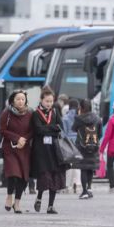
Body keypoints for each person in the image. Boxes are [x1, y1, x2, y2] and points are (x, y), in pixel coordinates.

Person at [30, 86, 67, 214]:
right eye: (47, 101)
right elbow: (38, 130)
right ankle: (39, 197)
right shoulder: (35, 113)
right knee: (44, 176)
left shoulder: (55, 112)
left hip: (54, 149)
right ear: (41, 100)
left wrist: (50, 128)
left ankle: (50, 206)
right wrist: (52, 128)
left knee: (55, 175)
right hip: (41, 150)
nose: (49, 104)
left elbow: (60, 128)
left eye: (51, 101)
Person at [0, 89, 33, 213]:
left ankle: (17, 203)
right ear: (13, 101)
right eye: (18, 99)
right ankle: (9, 196)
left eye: (23, 99)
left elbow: (32, 130)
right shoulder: (6, 113)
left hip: (24, 149)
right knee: (13, 173)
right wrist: (16, 138)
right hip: (10, 148)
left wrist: (24, 139)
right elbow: (2, 130)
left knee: (23, 177)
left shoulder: (30, 113)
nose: (20, 101)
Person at [72, 99, 102, 199]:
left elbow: (73, 129)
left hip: (82, 147)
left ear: (81, 107)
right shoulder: (97, 118)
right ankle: (89, 188)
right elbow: (100, 134)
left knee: (83, 169)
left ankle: (84, 191)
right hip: (94, 146)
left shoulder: (78, 118)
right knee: (90, 168)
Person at [63, 98, 81, 194]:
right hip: (78, 142)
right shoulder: (80, 117)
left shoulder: (65, 118)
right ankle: (77, 185)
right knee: (77, 164)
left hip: (68, 143)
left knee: (69, 165)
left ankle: (68, 186)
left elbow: (63, 133)